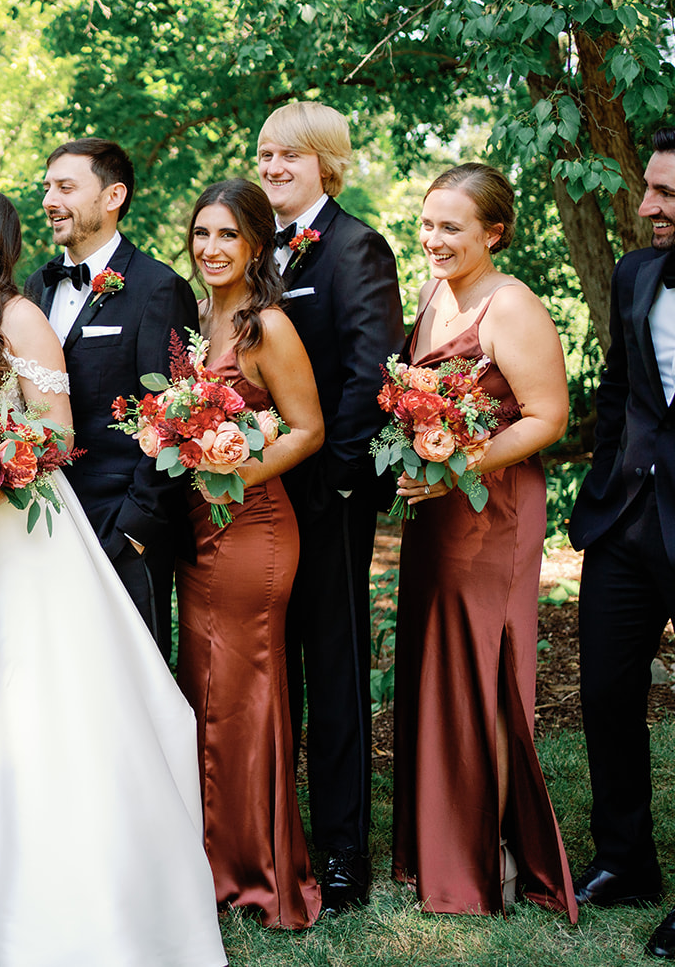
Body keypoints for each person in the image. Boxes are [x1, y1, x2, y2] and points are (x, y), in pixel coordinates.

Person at [0, 185, 226, 967]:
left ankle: (59, 891)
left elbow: (56, 432)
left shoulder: (18, 318)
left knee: (33, 697)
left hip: (19, 529)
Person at [391, 163, 574, 918]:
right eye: (428, 223)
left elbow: (546, 416)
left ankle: (491, 854)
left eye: (451, 227)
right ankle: (437, 846)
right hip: (439, 508)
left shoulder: (513, 305)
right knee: (437, 669)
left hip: (492, 509)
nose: (433, 239)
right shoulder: (436, 293)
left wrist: (459, 461)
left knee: (484, 674)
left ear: (493, 232)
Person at [255, 101, 403, 911]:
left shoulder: (355, 247)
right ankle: (274, 831)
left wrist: (338, 486)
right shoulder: (254, 248)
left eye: (290, 155)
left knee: (335, 670)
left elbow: (368, 373)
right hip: (258, 498)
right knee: (272, 667)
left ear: (326, 163)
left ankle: (345, 849)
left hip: (327, 499)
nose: (273, 166)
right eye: (266, 154)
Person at [174, 179, 325, 929]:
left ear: (257, 244)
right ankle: (210, 858)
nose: (211, 248)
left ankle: (261, 871)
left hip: (255, 527)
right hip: (196, 533)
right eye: (202, 233)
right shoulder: (195, 319)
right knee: (204, 692)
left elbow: (306, 429)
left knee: (247, 695)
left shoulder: (268, 326)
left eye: (227, 235)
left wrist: (235, 471)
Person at [24, 139, 198, 657]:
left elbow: (175, 419)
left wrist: (135, 530)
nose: (50, 199)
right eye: (48, 187)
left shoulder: (158, 288)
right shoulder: (35, 287)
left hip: (118, 524)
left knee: (129, 673)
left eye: (66, 187)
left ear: (113, 196)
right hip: (41, 519)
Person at [570, 127, 675, 954]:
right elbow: (619, 390)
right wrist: (595, 496)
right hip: (624, 526)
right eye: (649, 188)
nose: (646, 207)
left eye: (665, 195)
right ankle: (626, 860)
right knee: (605, 694)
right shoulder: (638, 272)